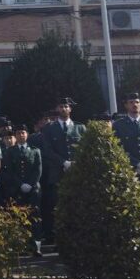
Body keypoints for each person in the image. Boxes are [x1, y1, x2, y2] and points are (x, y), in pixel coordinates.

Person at [40, 98, 85, 243]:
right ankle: (60, 240)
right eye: (61, 106)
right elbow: (47, 150)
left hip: (76, 172)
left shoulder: (80, 128)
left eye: (66, 106)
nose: (64, 109)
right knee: (57, 207)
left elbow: (84, 148)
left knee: (76, 206)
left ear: (70, 109)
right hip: (57, 173)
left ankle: (77, 238)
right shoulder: (49, 129)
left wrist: (75, 162)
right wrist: (63, 162)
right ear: (57, 109)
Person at [1, 123, 43, 255]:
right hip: (16, 189)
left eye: (23, 133)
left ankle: (36, 246)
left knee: (35, 217)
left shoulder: (35, 150)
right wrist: (20, 184)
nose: (21, 135)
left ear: (27, 134)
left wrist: (30, 184)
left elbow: (38, 170)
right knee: (19, 217)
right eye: (18, 133)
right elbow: (9, 172)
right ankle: (22, 246)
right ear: (15, 136)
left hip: (33, 189)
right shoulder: (10, 152)